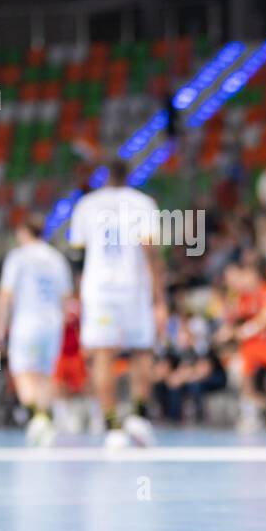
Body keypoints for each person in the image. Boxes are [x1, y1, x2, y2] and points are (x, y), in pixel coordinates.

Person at [68, 160, 166, 448]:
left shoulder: (86, 205)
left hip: (98, 291)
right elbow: (150, 250)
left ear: (104, 176)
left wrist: (78, 295)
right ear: (129, 176)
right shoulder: (143, 203)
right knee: (142, 351)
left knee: (103, 355)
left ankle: (112, 427)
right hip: (134, 288)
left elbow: (78, 258)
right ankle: (138, 416)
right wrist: (160, 297)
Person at [0, 213, 73, 446]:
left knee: (22, 371)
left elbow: (5, 295)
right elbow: (66, 298)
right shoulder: (57, 258)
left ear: (25, 232)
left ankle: (37, 416)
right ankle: (44, 417)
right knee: (45, 373)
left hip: (26, 321)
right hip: (52, 322)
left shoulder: (18, 257)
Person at [218, 256, 266, 434]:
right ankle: (252, 410)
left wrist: (244, 331)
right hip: (255, 344)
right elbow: (232, 321)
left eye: (245, 275)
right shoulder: (241, 297)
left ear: (254, 275)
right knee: (242, 369)